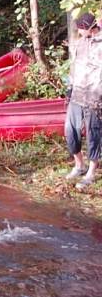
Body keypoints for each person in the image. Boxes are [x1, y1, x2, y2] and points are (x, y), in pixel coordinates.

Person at [64, 12, 102, 189]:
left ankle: (92, 172)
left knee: (94, 134)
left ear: (90, 28)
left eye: (81, 29)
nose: (79, 32)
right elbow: (75, 66)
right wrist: (69, 88)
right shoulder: (80, 43)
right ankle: (79, 165)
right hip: (77, 94)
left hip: (95, 96)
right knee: (70, 130)